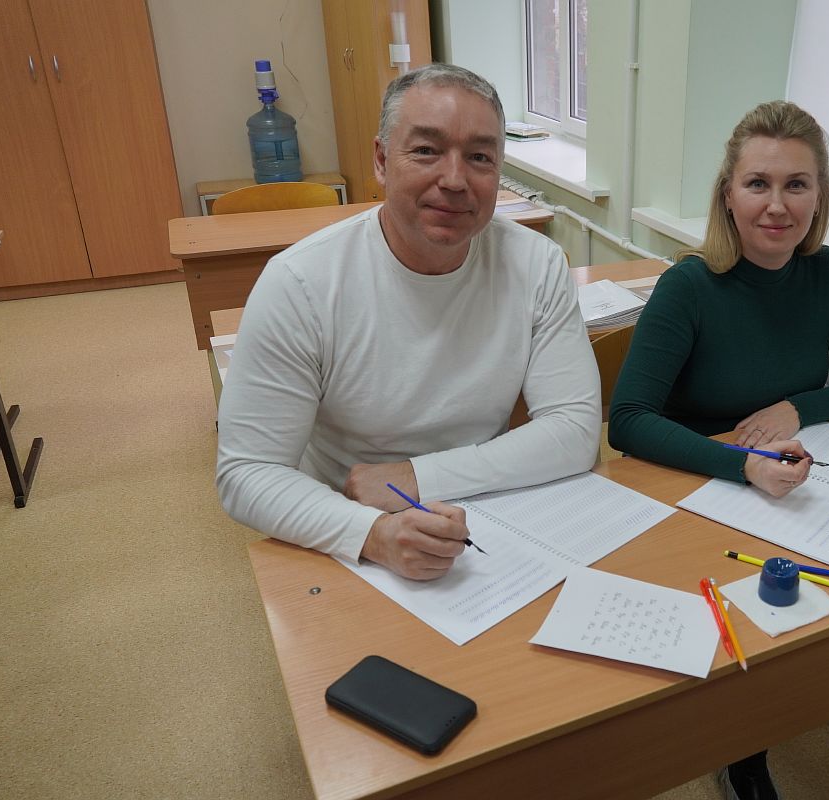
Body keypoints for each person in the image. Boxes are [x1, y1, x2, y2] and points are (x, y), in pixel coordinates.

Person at [608, 101, 829, 800]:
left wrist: (798, 407)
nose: (777, 205)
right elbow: (627, 420)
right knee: (755, 628)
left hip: (785, 483)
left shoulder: (828, 272)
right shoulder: (689, 286)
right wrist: (741, 466)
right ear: (728, 193)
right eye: (758, 183)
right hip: (696, 487)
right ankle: (742, 751)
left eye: (796, 185)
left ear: (819, 196)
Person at [217, 64, 601, 580]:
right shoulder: (300, 282)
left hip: (491, 512)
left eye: (480, 157)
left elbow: (574, 430)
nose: (455, 180)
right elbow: (248, 473)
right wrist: (373, 534)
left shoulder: (537, 264)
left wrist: (418, 477)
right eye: (425, 150)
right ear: (381, 160)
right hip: (342, 522)